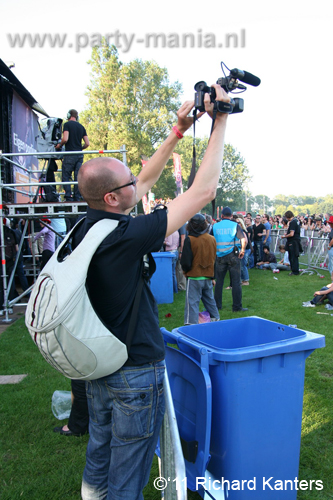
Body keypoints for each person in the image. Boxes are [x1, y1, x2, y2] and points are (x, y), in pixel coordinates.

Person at [71, 87, 230, 500]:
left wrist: (179, 131)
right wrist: (221, 119)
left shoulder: (88, 226)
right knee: (129, 474)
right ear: (112, 197)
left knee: (100, 457)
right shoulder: (123, 236)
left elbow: (146, 178)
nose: (136, 183)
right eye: (127, 182)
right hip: (134, 372)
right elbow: (203, 193)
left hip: (99, 366)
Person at [180, 213, 220, 324]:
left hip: (194, 277)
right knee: (210, 302)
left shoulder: (190, 239)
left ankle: (191, 327)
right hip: (208, 277)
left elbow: (186, 261)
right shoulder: (212, 239)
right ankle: (216, 321)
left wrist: (185, 272)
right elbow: (213, 260)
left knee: (192, 304)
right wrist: (213, 277)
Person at [213, 206, 248, 312]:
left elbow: (211, 239)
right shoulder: (235, 225)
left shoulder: (215, 226)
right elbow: (243, 239)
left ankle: (217, 306)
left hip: (219, 256)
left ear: (221, 216)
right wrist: (242, 250)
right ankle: (237, 307)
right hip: (233, 255)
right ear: (231, 216)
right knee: (236, 282)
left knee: (219, 282)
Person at [55, 109, 89, 201]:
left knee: (66, 175)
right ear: (76, 117)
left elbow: (65, 139)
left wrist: (59, 145)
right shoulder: (81, 127)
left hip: (70, 154)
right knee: (78, 176)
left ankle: (68, 197)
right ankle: (77, 197)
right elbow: (87, 143)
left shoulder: (67, 125)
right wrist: (80, 148)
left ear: (68, 115)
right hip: (79, 155)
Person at [284, 210, 301, 275]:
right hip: (295, 241)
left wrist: (285, 236)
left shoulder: (293, 222)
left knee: (292, 256)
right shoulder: (296, 221)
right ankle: (295, 270)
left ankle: (295, 271)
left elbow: (291, 234)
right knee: (294, 256)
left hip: (293, 242)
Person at [164, 229, 179, 293]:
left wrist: (163, 241)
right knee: (173, 273)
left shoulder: (170, 232)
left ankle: (171, 289)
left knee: (170, 273)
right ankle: (175, 289)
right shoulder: (177, 232)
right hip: (175, 251)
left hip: (170, 253)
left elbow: (169, 243)